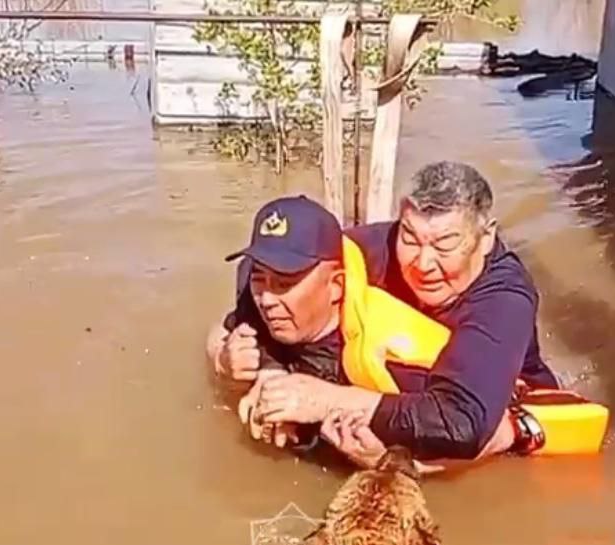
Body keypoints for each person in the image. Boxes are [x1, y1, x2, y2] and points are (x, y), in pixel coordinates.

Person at [208, 161, 559, 467]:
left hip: (492, 427)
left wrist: (325, 401)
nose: (422, 264)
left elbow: (462, 425)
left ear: (485, 238)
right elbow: (270, 269)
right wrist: (268, 374)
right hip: (391, 405)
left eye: (444, 244)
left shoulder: (505, 299)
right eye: (410, 237)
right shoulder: (374, 248)